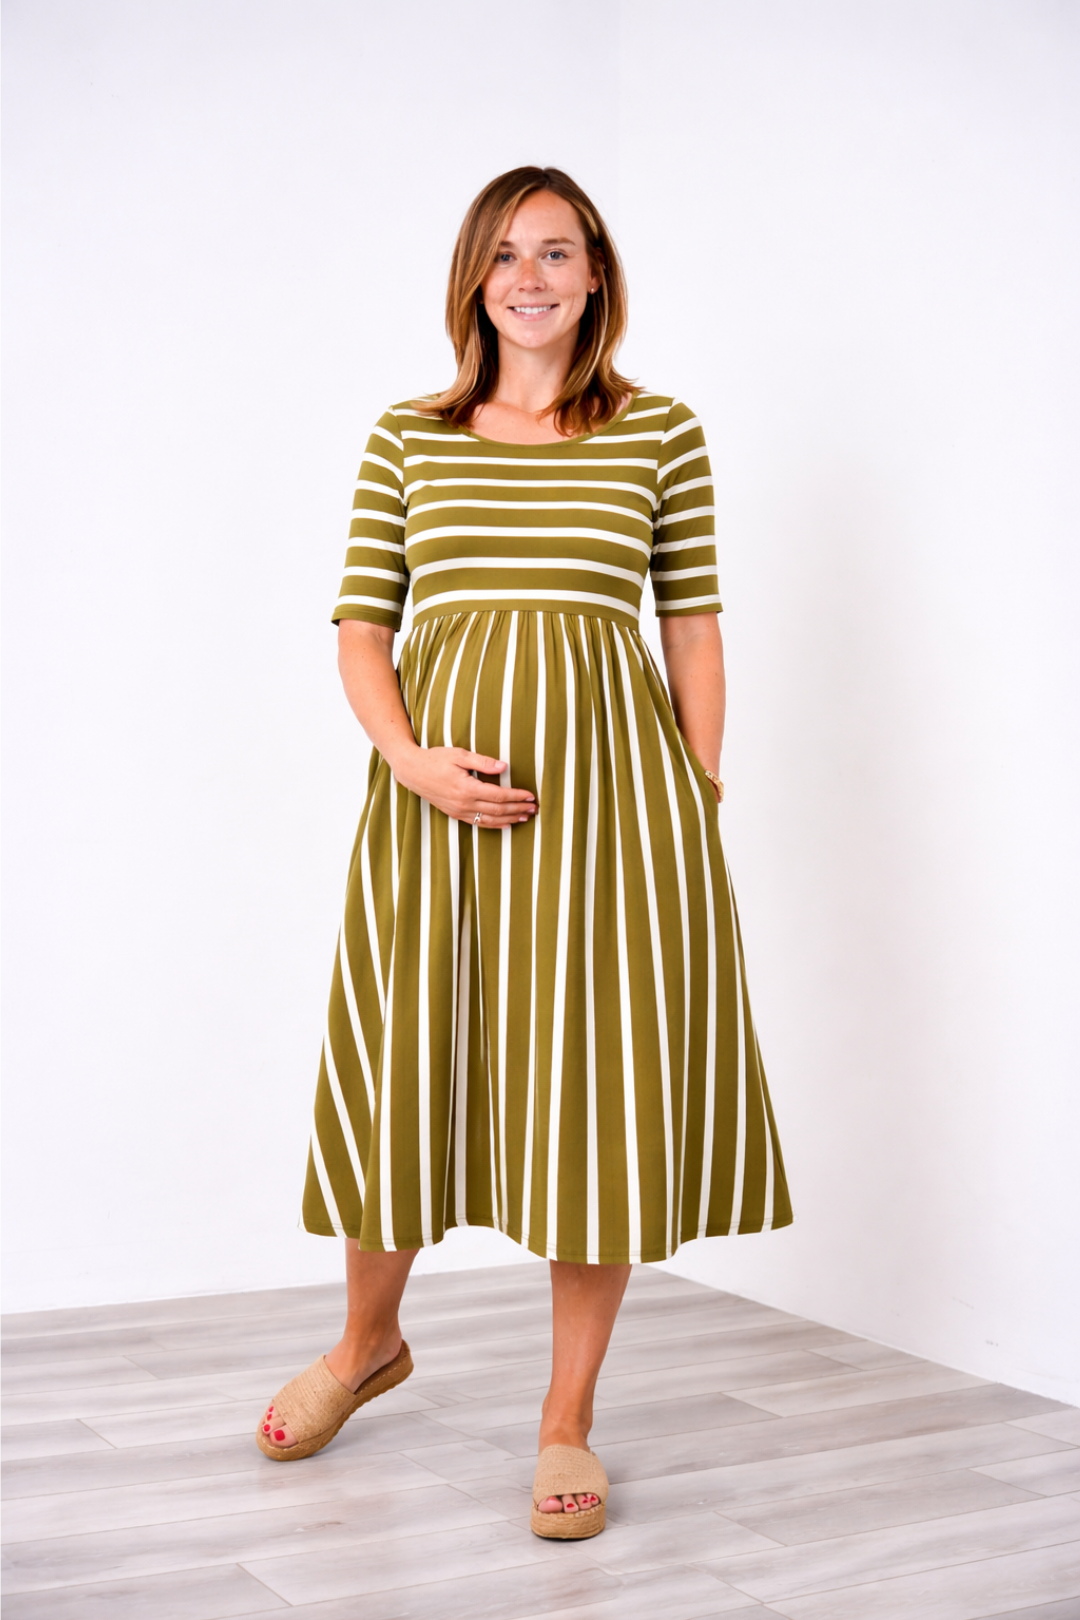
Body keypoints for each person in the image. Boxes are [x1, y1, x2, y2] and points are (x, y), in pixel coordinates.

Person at [257, 166, 792, 1540]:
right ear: (474, 279)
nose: (531, 276)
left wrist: (699, 797)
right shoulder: (408, 437)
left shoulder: (661, 433)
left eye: (557, 251)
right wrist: (414, 761)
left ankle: (568, 1419)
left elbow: (693, 627)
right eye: (506, 254)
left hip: (620, 822)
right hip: (432, 820)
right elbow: (362, 631)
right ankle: (366, 1342)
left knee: (595, 1102)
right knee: (403, 1066)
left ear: (597, 273)